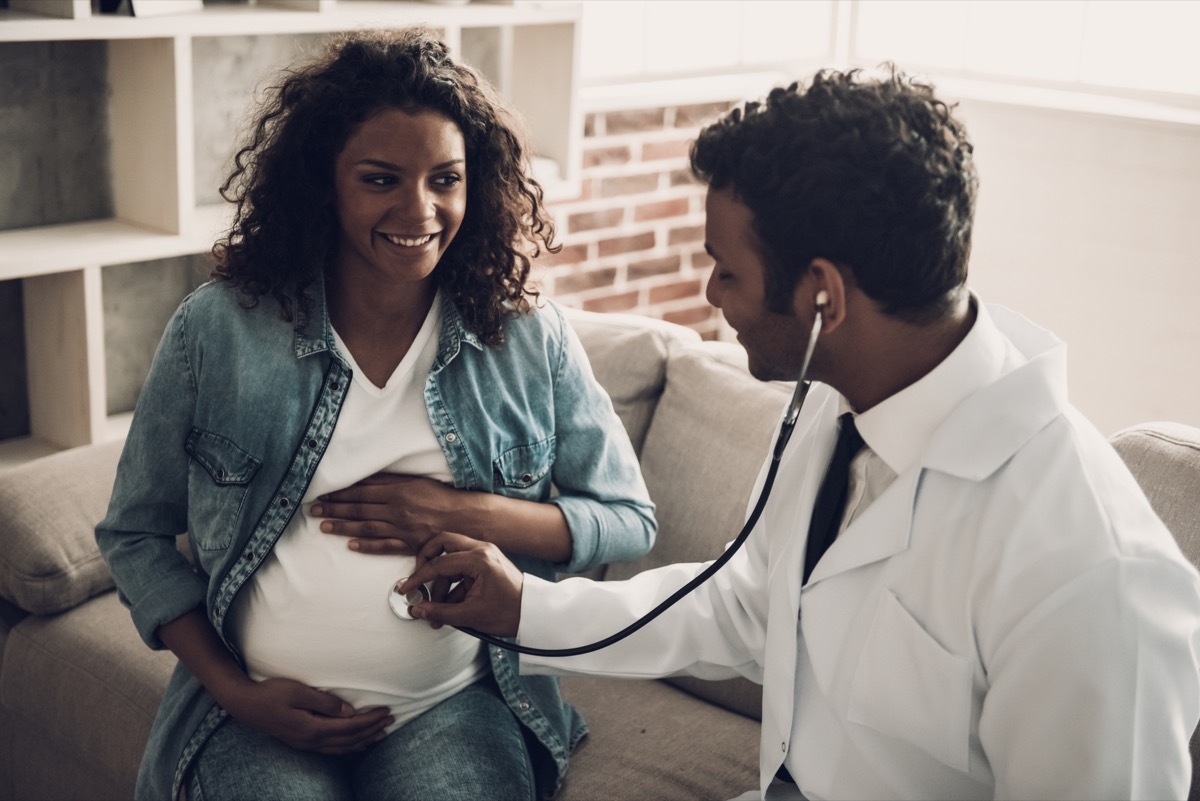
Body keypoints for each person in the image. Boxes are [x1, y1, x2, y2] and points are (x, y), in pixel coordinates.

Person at [399, 66, 1200, 800]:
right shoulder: (837, 406)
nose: (712, 293)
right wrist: (526, 609)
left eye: (726, 269)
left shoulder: (1092, 573)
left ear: (822, 297)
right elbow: (749, 606)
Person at [95, 27, 656, 801]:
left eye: (446, 179)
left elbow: (627, 516)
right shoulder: (219, 328)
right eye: (382, 179)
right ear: (325, 183)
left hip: (455, 703)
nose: (419, 210)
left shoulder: (527, 335)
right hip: (259, 707)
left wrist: (467, 513)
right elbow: (134, 532)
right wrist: (235, 690)